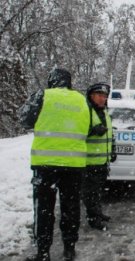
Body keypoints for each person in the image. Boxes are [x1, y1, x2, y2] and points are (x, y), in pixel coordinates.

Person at [19, 68, 90, 261]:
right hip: (74, 165)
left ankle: (43, 253)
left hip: (46, 164)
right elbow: (89, 128)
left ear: (52, 81)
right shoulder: (82, 100)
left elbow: (24, 120)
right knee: (71, 207)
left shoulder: (43, 95)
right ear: (69, 82)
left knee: (44, 209)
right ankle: (69, 248)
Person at [82, 82, 116, 230]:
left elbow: (110, 134)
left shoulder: (104, 112)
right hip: (89, 162)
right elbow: (77, 133)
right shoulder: (86, 111)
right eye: (99, 95)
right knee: (90, 193)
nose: (102, 99)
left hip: (102, 161)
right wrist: (92, 131)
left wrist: (112, 150)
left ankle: (97, 212)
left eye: (104, 96)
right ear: (91, 96)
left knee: (97, 191)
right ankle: (93, 219)